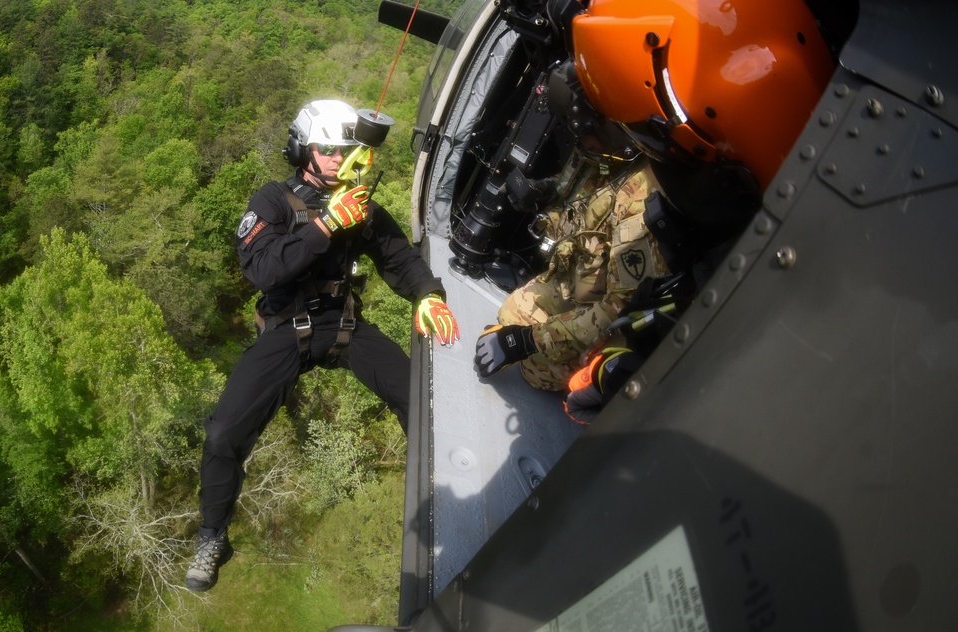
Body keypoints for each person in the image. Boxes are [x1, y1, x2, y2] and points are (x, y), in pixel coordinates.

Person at [474, 0, 834, 405]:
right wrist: (543, 211)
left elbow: (616, 310)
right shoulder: (613, 162)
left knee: (535, 369)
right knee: (510, 311)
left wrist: (526, 342)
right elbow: (584, 221)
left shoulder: (648, 200)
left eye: (593, 137)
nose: (588, 147)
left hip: (606, 316)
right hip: (577, 281)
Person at [186, 99, 459, 592]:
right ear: (304, 150)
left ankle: (441, 495)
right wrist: (324, 226)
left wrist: (429, 295)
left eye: (345, 149)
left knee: (419, 398)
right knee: (224, 433)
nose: (337, 158)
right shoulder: (272, 200)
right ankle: (212, 535)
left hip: (342, 325)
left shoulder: (361, 206)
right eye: (327, 148)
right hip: (285, 327)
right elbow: (261, 270)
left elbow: (398, 259)